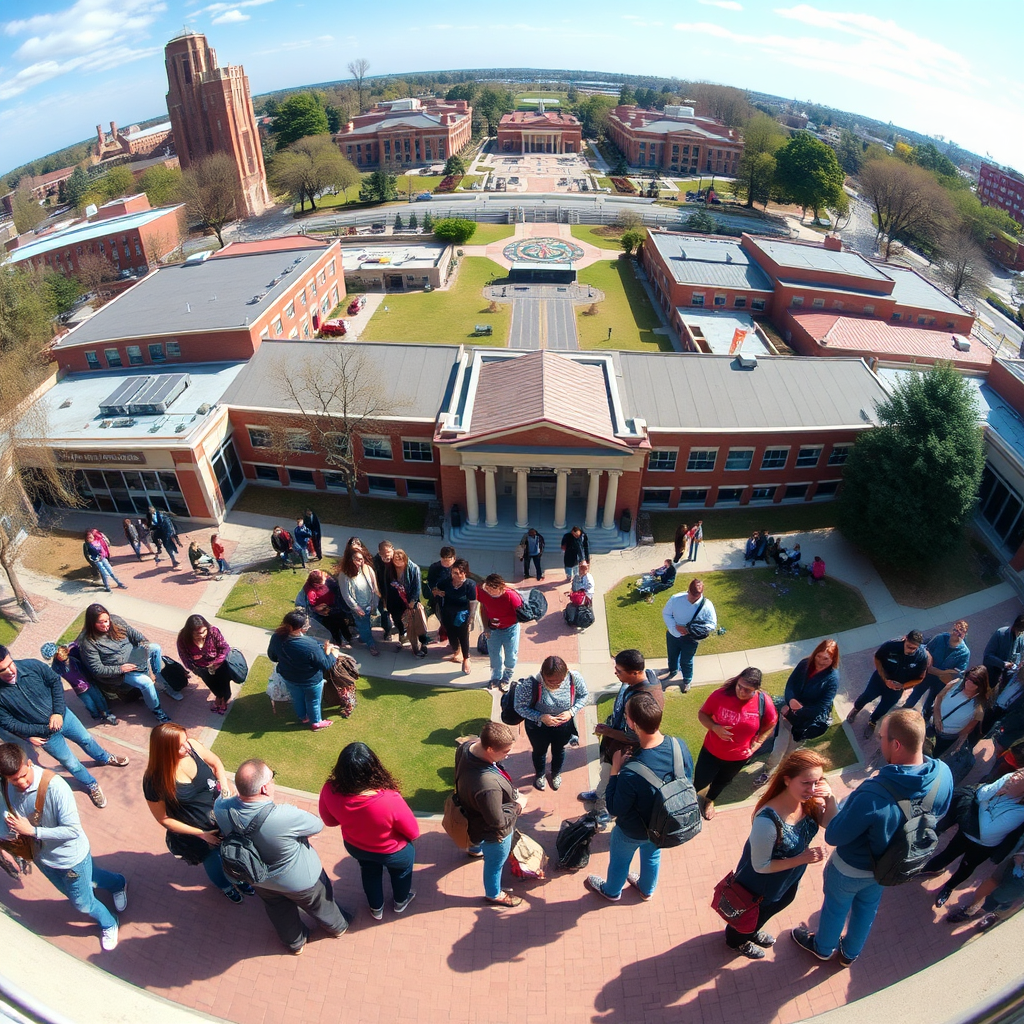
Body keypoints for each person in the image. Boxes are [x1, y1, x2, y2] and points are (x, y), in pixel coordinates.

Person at [792, 709, 953, 966]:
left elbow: (835, 834)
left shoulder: (873, 793)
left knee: (836, 908)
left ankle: (823, 949)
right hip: (889, 868)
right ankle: (849, 954)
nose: (879, 741)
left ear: (896, 744)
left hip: (850, 869)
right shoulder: (943, 774)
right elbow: (938, 814)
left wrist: (833, 800)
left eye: (882, 737)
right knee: (867, 908)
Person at [214, 759, 351, 954]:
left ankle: (295, 944)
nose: (273, 782)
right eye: (272, 778)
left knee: (278, 910)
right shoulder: (284, 815)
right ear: (264, 788)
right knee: (320, 903)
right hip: (302, 881)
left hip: (259, 879)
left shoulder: (220, 809)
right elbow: (317, 825)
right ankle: (338, 927)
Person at [0, 743, 127, 951]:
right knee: (90, 878)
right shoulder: (4, 787)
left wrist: (32, 831)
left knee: (82, 903)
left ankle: (110, 922)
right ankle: (118, 883)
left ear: (29, 763)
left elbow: (72, 830)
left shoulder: (56, 787)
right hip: (42, 857)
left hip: (71, 859)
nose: (21, 783)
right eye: (14, 780)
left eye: (24, 775)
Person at [723, 750, 838, 959]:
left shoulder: (806, 802)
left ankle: (752, 930)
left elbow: (829, 823)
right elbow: (760, 866)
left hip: (786, 880)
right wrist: (803, 858)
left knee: (766, 912)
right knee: (748, 916)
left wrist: (830, 798)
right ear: (787, 780)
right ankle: (735, 941)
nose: (812, 789)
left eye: (817, 781)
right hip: (760, 886)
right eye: (806, 783)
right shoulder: (767, 821)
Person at [584, 691, 693, 902]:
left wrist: (615, 768)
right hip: (664, 825)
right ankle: (646, 888)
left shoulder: (631, 769)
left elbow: (615, 808)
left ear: (632, 723)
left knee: (619, 862)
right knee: (652, 854)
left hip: (632, 830)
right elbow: (687, 779)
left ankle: (612, 891)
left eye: (626, 715)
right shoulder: (679, 746)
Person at [0, 645, 129, 809]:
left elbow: (55, 682)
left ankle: (104, 758)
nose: (11, 670)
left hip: (65, 717)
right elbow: (8, 722)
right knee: (71, 763)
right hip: (45, 736)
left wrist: (59, 713)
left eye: (10, 663)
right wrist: (32, 733)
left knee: (87, 739)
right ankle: (91, 784)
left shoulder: (31, 665)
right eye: (3, 670)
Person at [142, 723, 253, 903]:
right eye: (180, 745)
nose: (187, 747)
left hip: (223, 819)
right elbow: (163, 819)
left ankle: (238, 879)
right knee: (214, 862)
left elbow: (216, 763)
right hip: (197, 834)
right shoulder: (154, 780)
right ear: (164, 751)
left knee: (234, 852)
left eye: (186, 740)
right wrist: (202, 835)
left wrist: (224, 785)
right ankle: (225, 886)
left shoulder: (192, 746)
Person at [319, 743, 420, 920]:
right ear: (372, 767)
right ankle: (400, 902)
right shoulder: (389, 798)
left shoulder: (329, 789)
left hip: (357, 847)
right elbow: (413, 832)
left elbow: (329, 821)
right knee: (401, 873)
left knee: (369, 872)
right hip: (394, 852)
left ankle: (376, 909)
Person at [579, 649, 664, 821]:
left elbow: (634, 736)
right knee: (605, 775)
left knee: (613, 780)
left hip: (625, 751)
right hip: (615, 742)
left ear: (635, 672)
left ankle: (605, 811)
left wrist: (608, 731)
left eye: (619, 671)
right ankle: (599, 794)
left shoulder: (644, 700)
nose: (615, 673)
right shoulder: (636, 682)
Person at [925, 768, 1024, 908]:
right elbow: (981, 793)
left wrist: (981, 805)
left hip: (984, 845)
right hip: (966, 832)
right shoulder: (1008, 778)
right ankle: (930, 869)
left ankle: (948, 888)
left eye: (1020, 780)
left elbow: (987, 830)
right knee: (947, 854)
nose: (1013, 778)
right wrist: (987, 801)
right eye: (1018, 773)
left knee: (966, 867)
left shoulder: (1021, 812)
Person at [454, 722, 528, 907]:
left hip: (470, 812)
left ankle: (474, 849)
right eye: (504, 751)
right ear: (489, 748)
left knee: (475, 836)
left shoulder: (466, 747)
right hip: (494, 834)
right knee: (495, 864)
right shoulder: (488, 786)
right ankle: (494, 894)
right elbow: (498, 823)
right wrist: (518, 805)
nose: (508, 755)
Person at [693, 668, 778, 821]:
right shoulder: (720, 695)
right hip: (711, 750)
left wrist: (758, 741)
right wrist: (714, 727)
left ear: (756, 690)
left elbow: (771, 722)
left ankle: (709, 800)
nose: (741, 692)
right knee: (701, 779)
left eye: (748, 690)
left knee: (722, 781)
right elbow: (702, 714)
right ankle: (691, 800)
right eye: (739, 686)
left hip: (738, 756)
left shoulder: (763, 702)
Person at [757, 639, 841, 784]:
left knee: (789, 752)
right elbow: (790, 685)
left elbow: (821, 707)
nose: (820, 661)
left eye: (826, 659)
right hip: (787, 715)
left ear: (833, 659)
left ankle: (783, 770)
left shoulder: (832, 679)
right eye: (818, 656)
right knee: (778, 749)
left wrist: (796, 711)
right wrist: (790, 701)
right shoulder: (805, 664)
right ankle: (768, 772)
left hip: (805, 723)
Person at [77, 603, 175, 720]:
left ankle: (159, 678)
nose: (105, 625)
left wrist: (144, 646)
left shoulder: (116, 622)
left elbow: (136, 635)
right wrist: (121, 669)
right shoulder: (88, 642)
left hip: (134, 656)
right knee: (146, 683)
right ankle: (157, 710)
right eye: (100, 622)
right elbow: (97, 669)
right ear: (92, 623)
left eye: (107, 620)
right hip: (119, 671)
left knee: (155, 648)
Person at [515, 655, 588, 791]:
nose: (555, 685)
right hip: (538, 727)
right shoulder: (530, 683)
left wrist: (571, 712)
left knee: (559, 750)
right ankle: (540, 774)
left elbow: (584, 695)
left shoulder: (574, 678)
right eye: (550, 681)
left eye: (559, 682)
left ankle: (556, 773)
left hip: (563, 724)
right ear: (542, 674)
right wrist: (540, 717)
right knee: (539, 751)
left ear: (566, 674)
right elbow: (519, 707)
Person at [846, 631, 930, 736]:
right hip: (880, 680)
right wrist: (885, 679)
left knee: (884, 708)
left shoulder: (921, 657)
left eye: (914, 648)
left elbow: (920, 678)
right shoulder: (891, 645)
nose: (910, 650)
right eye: (908, 646)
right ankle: (856, 709)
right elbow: (877, 658)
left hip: (897, 688)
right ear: (905, 639)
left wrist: (902, 686)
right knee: (866, 697)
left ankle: (873, 721)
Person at [267, 609, 338, 731]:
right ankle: (316, 723)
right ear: (299, 628)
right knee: (313, 701)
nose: (309, 625)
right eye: (306, 624)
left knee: (297, 698)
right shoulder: (309, 645)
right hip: (310, 680)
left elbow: (272, 656)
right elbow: (325, 664)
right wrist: (333, 654)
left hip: (289, 677)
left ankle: (303, 717)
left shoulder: (277, 637)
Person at [946, 837, 1024, 931]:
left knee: (1001, 899)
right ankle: (972, 909)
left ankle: (994, 915)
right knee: (993, 881)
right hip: (1016, 860)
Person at [905, 621, 970, 721]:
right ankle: (904, 712)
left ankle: (925, 718)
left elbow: (958, 673)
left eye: (960, 632)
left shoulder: (964, 652)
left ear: (964, 634)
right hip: (927, 674)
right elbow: (925, 648)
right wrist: (928, 655)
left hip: (941, 681)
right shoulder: (940, 638)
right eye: (955, 630)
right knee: (916, 692)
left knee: (932, 699)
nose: (956, 633)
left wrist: (939, 672)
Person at [660, 578, 717, 692]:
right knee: (672, 655)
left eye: (697, 596)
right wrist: (675, 628)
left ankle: (687, 680)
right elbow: (666, 613)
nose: (693, 598)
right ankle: (672, 670)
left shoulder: (707, 605)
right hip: (673, 635)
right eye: (692, 595)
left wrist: (690, 630)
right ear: (688, 591)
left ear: (701, 593)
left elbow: (712, 624)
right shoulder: (676, 599)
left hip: (691, 639)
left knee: (686, 661)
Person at [44, 641, 118, 727]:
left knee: (98, 698)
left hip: (88, 681)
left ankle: (107, 714)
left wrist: (73, 646)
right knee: (89, 703)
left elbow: (78, 645)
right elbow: (55, 678)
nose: (61, 657)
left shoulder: (73, 655)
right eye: (56, 656)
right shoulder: (56, 667)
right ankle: (96, 716)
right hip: (78, 688)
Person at [176, 615, 234, 714]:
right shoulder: (183, 639)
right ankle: (218, 697)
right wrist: (194, 668)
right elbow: (184, 656)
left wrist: (216, 663)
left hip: (220, 665)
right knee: (213, 686)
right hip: (202, 669)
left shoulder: (213, 631)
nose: (202, 635)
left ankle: (223, 701)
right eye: (198, 633)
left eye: (204, 631)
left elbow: (224, 648)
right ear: (190, 632)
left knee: (224, 686)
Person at [931, 665, 989, 760]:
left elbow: (970, 727)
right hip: (932, 726)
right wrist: (937, 716)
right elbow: (939, 697)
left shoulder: (979, 705)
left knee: (933, 756)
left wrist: (957, 737)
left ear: (981, 685)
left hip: (947, 737)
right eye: (969, 678)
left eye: (975, 682)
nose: (969, 682)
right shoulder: (955, 684)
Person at [432, 558, 478, 675]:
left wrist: (471, 616)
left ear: (464, 573)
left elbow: (473, 601)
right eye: (453, 572)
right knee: (451, 633)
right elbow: (435, 590)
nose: (455, 575)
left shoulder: (470, 585)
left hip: (462, 614)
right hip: (447, 613)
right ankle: (456, 651)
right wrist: (438, 592)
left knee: (463, 635)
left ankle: (466, 658)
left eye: (458, 573)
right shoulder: (447, 582)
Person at [478, 574, 523, 689]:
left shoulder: (511, 596)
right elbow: (483, 608)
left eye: (493, 589)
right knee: (494, 654)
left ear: (501, 587)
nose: (490, 592)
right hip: (493, 630)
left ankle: (507, 677)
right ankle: (495, 677)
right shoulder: (483, 592)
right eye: (488, 588)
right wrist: (486, 627)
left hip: (510, 629)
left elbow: (521, 613)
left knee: (511, 655)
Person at [339, 544, 381, 656]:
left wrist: (374, 603)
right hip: (358, 607)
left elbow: (374, 587)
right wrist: (356, 608)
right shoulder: (344, 575)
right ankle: (371, 644)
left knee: (367, 624)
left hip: (370, 604)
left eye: (361, 559)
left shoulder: (367, 569)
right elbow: (346, 594)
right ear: (350, 559)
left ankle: (364, 637)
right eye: (356, 559)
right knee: (364, 625)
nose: (360, 562)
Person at [384, 550, 427, 657]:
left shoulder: (413, 568)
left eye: (400, 559)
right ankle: (405, 637)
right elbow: (387, 585)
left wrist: (413, 601)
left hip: (411, 600)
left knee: (417, 623)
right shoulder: (389, 569)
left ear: (405, 559)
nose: (398, 562)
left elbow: (417, 587)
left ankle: (422, 643)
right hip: (396, 601)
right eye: (395, 560)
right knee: (399, 619)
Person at [303, 569, 354, 649]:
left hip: (335, 605)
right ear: (316, 584)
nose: (326, 578)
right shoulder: (311, 592)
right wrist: (318, 609)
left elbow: (335, 586)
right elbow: (312, 606)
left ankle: (348, 637)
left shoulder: (327, 580)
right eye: (324, 579)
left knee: (342, 622)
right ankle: (339, 642)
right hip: (325, 611)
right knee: (333, 627)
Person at [983, 615, 1024, 693]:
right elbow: (987, 656)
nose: (1019, 634)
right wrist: (1003, 664)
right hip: (990, 680)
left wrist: (1019, 665)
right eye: (1019, 631)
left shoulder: (1021, 639)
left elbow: (1018, 660)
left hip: (1007, 684)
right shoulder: (1000, 633)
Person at [426, 546, 457, 631]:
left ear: (454, 558)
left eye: (448, 560)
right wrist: (435, 590)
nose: (446, 563)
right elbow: (430, 581)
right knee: (441, 616)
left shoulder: (458, 568)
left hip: (454, 598)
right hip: (440, 598)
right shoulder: (435, 567)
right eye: (443, 560)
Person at [372, 541, 396, 641]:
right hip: (381, 593)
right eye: (384, 553)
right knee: (384, 613)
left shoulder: (397, 559)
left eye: (389, 552)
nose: (387, 555)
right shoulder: (375, 562)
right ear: (379, 552)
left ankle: (400, 628)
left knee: (396, 612)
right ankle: (387, 631)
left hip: (395, 592)